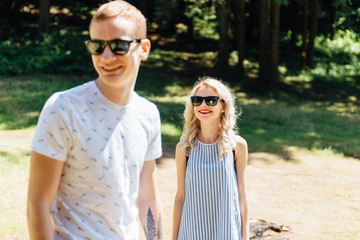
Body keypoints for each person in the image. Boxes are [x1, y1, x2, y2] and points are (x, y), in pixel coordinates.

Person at [27, 1, 163, 239]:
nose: (106, 57)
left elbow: (147, 196)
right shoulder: (63, 109)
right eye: (97, 46)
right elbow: (37, 204)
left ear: (144, 48)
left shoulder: (148, 114)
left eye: (119, 45)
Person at [172, 77, 249, 240]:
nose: (203, 105)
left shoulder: (237, 146)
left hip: (226, 231)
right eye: (197, 100)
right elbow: (180, 197)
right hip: (191, 232)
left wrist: (245, 235)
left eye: (211, 100)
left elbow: (241, 195)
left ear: (223, 106)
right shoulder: (184, 148)